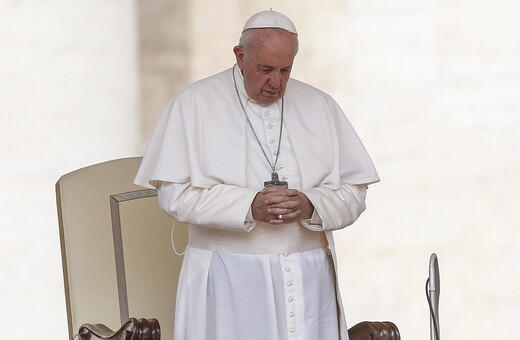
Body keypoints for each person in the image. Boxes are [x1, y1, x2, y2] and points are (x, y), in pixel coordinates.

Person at [134, 9, 379, 340]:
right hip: (227, 278)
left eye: (285, 70)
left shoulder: (320, 106)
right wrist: (248, 205)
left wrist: (310, 204)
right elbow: (174, 195)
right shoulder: (193, 104)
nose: (276, 82)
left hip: (310, 278)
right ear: (240, 56)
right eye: (265, 69)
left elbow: (354, 191)